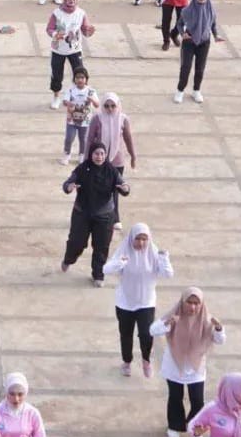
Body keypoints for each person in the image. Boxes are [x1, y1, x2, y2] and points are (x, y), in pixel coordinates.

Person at [149, 287, 225, 437]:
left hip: (196, 368)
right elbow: (153, 330)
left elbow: (220, 340)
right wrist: (167, 324)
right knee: (175, 397)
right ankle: (175, 426)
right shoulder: (174, 316)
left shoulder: (207, 320)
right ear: (182, 302)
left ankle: (196, 428)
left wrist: (218, 328)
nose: (192, 307)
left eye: (196, 304)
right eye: (189, 302)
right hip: (174, 366)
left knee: (197, 400)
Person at [103, 223, 173, 378]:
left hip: (146, 302)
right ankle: (127, 361)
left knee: (146, 334)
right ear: (131, 239)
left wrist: (164, 259)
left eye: (144, 239)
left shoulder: (154, 253)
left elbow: (168, 274)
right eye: (138, 239)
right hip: (125, 302)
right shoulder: (123, 251)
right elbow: (106, 269)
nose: (141, 243)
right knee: (126, 334)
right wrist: (119, 263)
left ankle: (146, 361)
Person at [61, 142, 130, 285]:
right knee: (76, 242)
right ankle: (69, 259)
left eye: (102, 154)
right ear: (91, 154)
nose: (99, 157)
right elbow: (67, 183)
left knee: (102, 246)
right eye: (96, 154)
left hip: (104, 215)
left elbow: (124, 186)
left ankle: (98, 274)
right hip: (82, 213)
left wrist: (125, 188)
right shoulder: (82, 169)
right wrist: (69, 187)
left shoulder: (111, 171)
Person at [85, 91, 136, 227]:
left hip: (117, 160)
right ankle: (94, 214)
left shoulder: (123, 119)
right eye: (107, 106)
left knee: (115, 188)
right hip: (99, 159)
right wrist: (86, 159)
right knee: (96, 187)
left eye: (113, 106)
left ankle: (115, 217)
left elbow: (128, 138)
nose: (110, 109)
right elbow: (89, 139)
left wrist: (133, 156)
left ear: (117, 105)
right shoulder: (97, 118)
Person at [174, 0, 224, 104]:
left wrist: (216, 36)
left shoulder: (211, 11)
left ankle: (196, 90)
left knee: (200, 69)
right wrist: (182, 34)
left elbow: (213, 25)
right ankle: (180, 91)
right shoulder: (187, 10)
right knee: (185, 67)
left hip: (204, 42)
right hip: (189, 42)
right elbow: (179, 24)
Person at [47, 0, 95, 110]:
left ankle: (78, 96)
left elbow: (85, 30)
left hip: (75, 49)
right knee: (57, 75)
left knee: (79, 73)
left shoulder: (81, 13)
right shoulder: (57, 13)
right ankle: (56, 97)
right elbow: (49, 28)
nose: (71, 0)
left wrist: (89, 31)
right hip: (58, 50)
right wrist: (55, 35)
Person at [60, 65, 97, 165]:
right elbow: (64, 101)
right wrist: (69, 104)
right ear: (74, 79)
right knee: (69, 138)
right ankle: (67, 154)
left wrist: (92, 100)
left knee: (83, 139)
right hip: (71, 120)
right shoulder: (70, 90)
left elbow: (97, 105)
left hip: (86, 121)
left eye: (82, 77)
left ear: (86, 79)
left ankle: (82, 155)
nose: (80, 80)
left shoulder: (91, 91)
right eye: (77, 77)